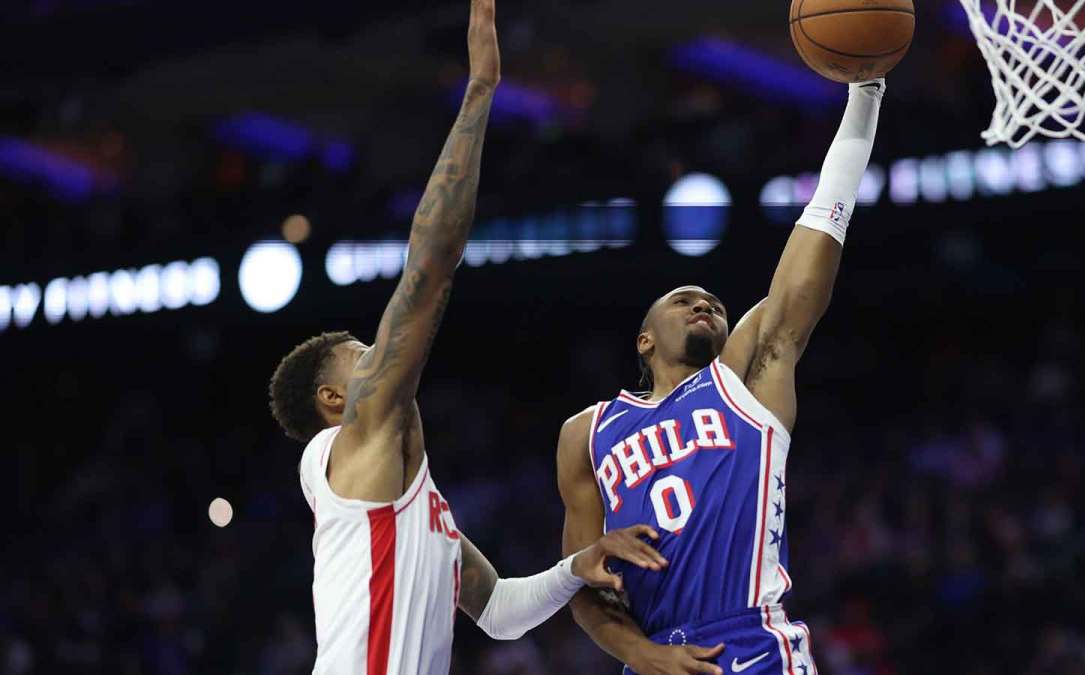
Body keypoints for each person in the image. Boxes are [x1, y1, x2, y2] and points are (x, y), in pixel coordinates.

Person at [267, 2, 666, 672]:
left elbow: (502, 610)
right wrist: (479, 92)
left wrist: (577, 565)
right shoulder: (348, 444)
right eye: (365, 356)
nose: (385, 357)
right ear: (337, 401)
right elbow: (427, 269)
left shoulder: (416, 509)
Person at [556, 79, 888, 675]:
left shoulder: (744, 382)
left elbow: (815, 235)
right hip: (654, 654)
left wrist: (865, 96)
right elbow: (581, 583)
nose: (703, 304)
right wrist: (644, 655)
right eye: (684, 299)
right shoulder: (585, 433)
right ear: (644, 338)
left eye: (712, 301)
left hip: (755, 645)